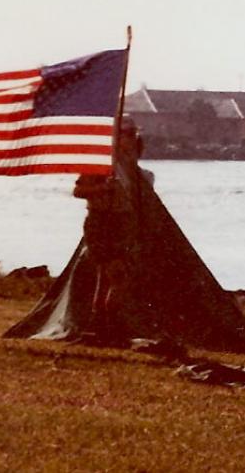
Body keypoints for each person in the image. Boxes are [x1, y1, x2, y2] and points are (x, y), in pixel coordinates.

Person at [71, 119, 155, 346]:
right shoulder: (99, 163)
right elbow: (78, 191)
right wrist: (103, 188)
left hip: (123, 224)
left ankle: (99, 327)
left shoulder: (133, 169)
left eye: (131, 134)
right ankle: (110, 327)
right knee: (117, 276)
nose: (129, 139)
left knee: (106, 280)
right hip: (102, 223)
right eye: (125, 134)